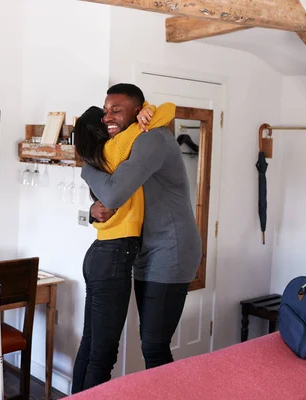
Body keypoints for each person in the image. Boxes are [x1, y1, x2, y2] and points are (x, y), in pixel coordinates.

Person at [81, 83, 202, 370]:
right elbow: (109, 197)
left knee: (154, 345)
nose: (108, 117)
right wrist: (90, 210)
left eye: (116, 110)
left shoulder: (151, 139)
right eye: (106, 111)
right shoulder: (127, 143)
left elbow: (111, 193)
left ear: (138, 111)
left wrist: (85, 168)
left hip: (171, 246)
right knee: (149, 343)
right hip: (146, 247)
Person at [71, 101, 176, 393]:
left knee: (90, 345)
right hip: (116, 255)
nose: (111, 121)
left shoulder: (95, 161)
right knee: (103, 356)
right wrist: (147, 110)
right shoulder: (116, 150)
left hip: (99, 254)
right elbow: (166, 112)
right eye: (106, 120)